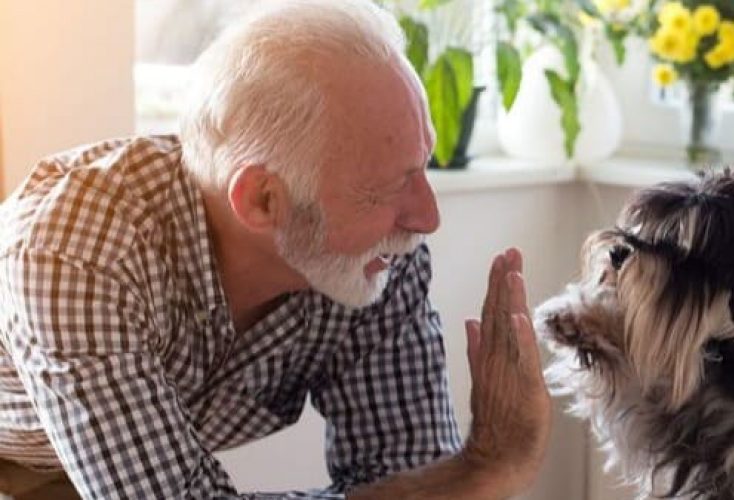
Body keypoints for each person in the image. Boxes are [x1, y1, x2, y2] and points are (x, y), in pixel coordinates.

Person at [0, 0, 551, 498]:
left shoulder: (375, 257)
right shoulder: (78, 251)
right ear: (262, 200)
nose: (426, 217)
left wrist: (472, 472)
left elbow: (410, 477)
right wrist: (485, 467)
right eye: (382, 189)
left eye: (421, 165)